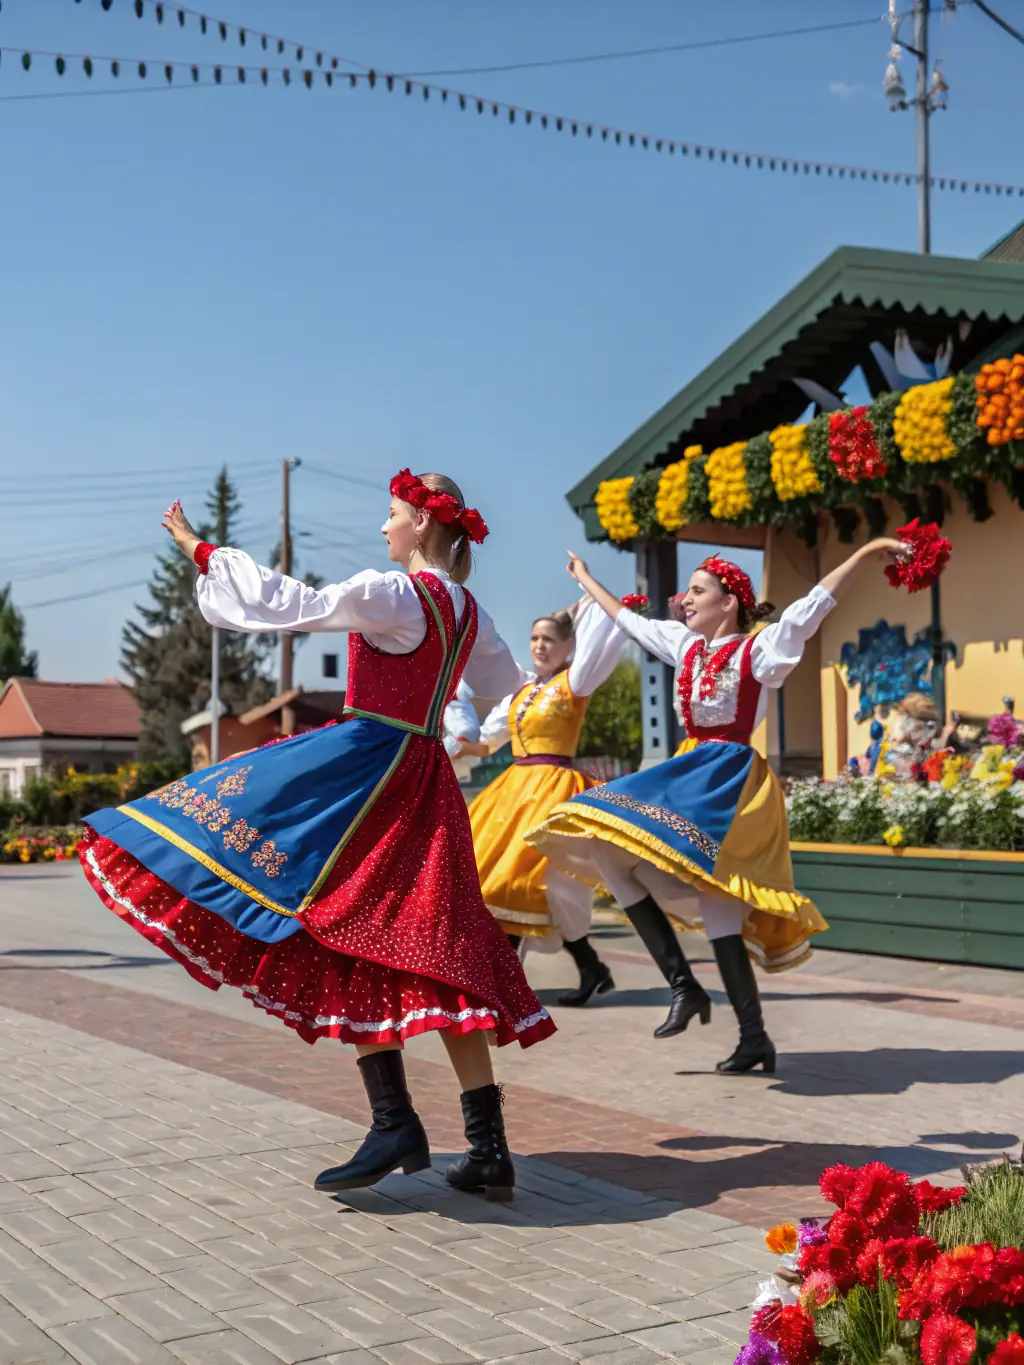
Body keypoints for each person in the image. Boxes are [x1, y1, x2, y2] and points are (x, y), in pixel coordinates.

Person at [78, 470, 555, 1204]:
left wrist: (203, 551)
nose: (385, 527)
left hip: (365, 770)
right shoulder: (469, 611)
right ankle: (485, 1147)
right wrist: (457, 738)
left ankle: (398, 1120)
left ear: (423, 525)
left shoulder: (396, 593)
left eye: (393, 515)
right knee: (439, 946)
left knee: (347, 922)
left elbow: (290, 605)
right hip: (426, 780)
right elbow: (506, 688)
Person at [528, 538, 909, 1075]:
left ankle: (752, 1036)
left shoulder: (758, 649)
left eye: (699, 591)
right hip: (687, 773)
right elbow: (627, 621)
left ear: (728, 602)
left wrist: (866, 552)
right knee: (605, 843)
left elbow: (812, 607)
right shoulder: (686, 647)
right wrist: (585, 579)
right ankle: (685, 986)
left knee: (721, 906)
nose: (685, 599)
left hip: (730, 781)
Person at [453, 600, 626, 1006]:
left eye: (549, 639)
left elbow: (601, 643)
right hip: (514, 791)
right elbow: (488, 742)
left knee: (519, 882)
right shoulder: (522, 691)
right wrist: (459, 745)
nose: (540, 645)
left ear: (568, 647)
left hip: (553, 791)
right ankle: (590, 968)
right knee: (505, 881)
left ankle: (502, 984)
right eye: (534, 638)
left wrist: (596, 601)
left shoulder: (574, 684)